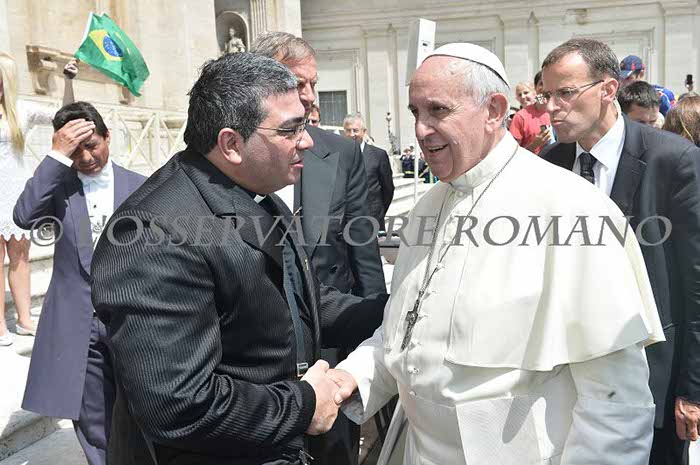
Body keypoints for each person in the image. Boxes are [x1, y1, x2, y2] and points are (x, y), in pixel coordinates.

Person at [328, 42, 665, 465]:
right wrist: (350, 378)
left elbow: (616, 403)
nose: (421, 130)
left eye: (438, 110)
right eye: (415, 112)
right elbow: (405, 334)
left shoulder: (574, 210)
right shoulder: (427, 209)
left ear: (494, 110)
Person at [90, 52, 388, 465]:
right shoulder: (152, 234)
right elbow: (178, 403)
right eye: (290, 129)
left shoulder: (254, 194)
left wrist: (400, 311)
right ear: (231, 144)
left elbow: (297, 302)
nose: (307, 141)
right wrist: (304, 404)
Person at [539, 38, 700, 465]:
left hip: (654, 381)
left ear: (609, 89)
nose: (551, 108)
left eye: (565, 93)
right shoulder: (549, 162)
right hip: (570, 383)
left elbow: (696, 283)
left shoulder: (674, 161)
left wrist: (693, 389)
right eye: (545, 95)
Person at [251, 32, 386, 465]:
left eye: (313, 83)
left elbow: (363, 254)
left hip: (332, 353)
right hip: (258, 363)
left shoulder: (341, 153)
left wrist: (374, 341)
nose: (310, 96)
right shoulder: (236, 158)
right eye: (298, 84)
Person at [14, 102, 146, 465]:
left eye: (92, 145)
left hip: (131, 319)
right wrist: (57, 156)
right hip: (78, 322)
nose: (86, 157)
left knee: (140, 414)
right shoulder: (58, 187)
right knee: (93, 421)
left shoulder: (141, 186)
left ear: (107, 137)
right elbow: (24, 215)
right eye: (75, 150)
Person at [0, 53, 77, 346]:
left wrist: (67, 81)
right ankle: (0, 326)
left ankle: (24, 319)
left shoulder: (22, 110)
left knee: (20, 257)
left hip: (15, 191)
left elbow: (65, 115)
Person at [343, 113, 394, 231]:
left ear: (364, 131)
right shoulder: (339, 155)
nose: (352, 134)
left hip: (373, 219)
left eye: (355, 130)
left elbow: (388, 189)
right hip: (346, 222)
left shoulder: (378, 155)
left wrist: (378, 211)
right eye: (348, 130)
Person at [509, 71, 553, 154]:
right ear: (535, 88)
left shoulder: (561, 111)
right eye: (541, 83)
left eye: (526, 92)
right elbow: (512, 153)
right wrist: (533, 145)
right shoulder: (520, 116)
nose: (545, 88)